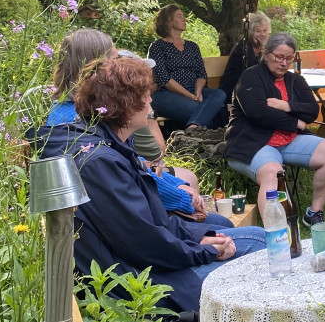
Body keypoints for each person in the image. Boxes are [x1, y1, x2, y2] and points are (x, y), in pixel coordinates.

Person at [33, 56, 267, 322]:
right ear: (126, 105)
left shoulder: (109, 143)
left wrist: (202, 237)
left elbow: (153, 222)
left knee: (257, 238)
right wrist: (203, 251)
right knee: (263, 251)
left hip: (152, 262)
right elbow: (143, 244)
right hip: (144, 287)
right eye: (145, 95)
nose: (151, 100)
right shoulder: (101, 163)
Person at [48, 28, 217, 222]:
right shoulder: (81, 120)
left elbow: (136, 163)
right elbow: (134, 172)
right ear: (93, 68)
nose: (119, 65)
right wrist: (181, 197)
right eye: (114, 59)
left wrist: (176, 185)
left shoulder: (77, 109)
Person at [225, 33, 325, 226]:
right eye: (279, 57)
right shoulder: (251, 76)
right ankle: (275, 232)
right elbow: (258, 112)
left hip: (288, 141)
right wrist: (295, 123)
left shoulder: (296, 80)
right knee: (273, 172)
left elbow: (312, 111)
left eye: (289, 58)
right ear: (266, 53)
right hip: (253, 143)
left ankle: (314, 213)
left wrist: (285, 105)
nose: (284, 62)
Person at [147, 4, 227, 129]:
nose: (185, 20)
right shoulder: (157, 47)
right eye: (180, 16)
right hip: (166, 94)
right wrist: (190, 97)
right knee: (207, 110)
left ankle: (193, 126)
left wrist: (198, 91)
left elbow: (201, 73)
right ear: (168, 22)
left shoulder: (192, 46)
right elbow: (164, 79)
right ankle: (196, 128)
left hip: (192, 90)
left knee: (219, 95)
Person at [218, 10, 272, 103]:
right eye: (258, 31)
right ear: (250, 32)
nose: (262, 34)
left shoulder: (262, 47)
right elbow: (254, 74)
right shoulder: (243, 48)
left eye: (265, 31)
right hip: (232, 95)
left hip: (249, 91)